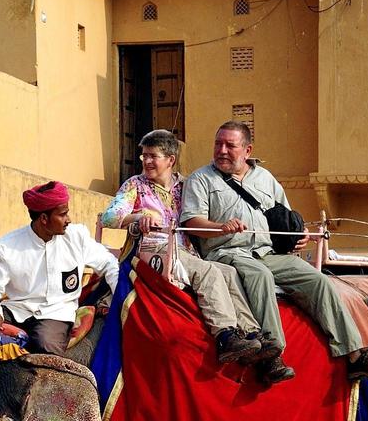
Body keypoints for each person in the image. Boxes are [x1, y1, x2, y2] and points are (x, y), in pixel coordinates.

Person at [181, 121, 368, 382]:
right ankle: (272, 355)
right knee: (260, 276)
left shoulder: (265, 178)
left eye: (230, 145)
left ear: (247, 150)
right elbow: (191, 222)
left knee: (317, 280)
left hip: (268, 252)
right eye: (218, 144)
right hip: (227, 251)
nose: (222, 150)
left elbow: (286, 219)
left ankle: (354, 354)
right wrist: (220, 227)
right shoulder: (201, 179)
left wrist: (298, 236)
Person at [100, 129, 272, 368]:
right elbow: (108, 218)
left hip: (187, 252)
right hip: (153, 250)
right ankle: (224, 335)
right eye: (144, 156)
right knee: (208, 272)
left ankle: (252, 333)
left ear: (170, 160)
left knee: (228, 272)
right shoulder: (135, 186)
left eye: (153, 156)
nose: (147, 161)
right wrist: (138, 216)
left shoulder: (187, 185)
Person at [0, 180, 120, 355]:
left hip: (55, 313)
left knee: (45, 344)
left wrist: (119, 297)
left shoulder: (77, 237)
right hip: (18, 310)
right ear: (44, 219)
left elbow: (109, 263)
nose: (68, 220)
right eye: (62, 215)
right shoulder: (7, 246)